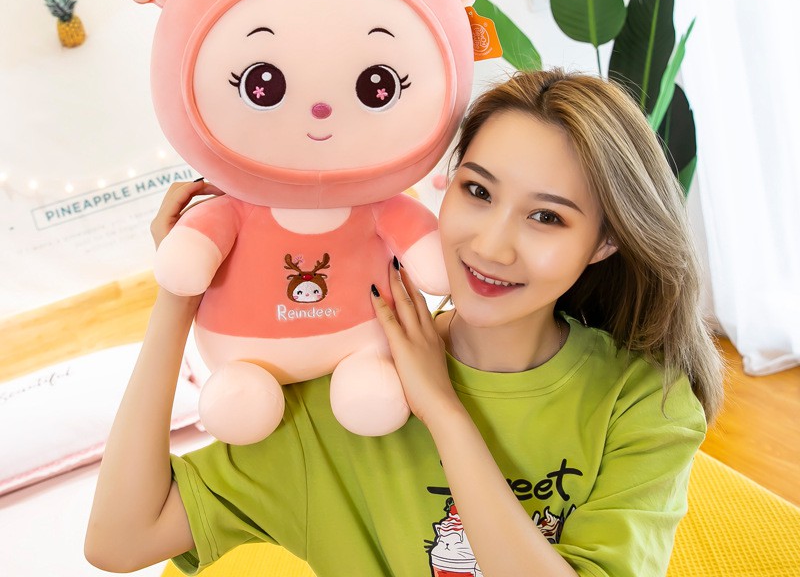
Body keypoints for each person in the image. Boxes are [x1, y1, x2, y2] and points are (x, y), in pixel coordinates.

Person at [85, 68, 723, 577]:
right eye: (478, 191)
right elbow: (120, 540)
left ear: (606, 241)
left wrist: (442, 410)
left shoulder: (644, 402)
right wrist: (180, 294)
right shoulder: (347, 393)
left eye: (547, 217)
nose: (491, 247)